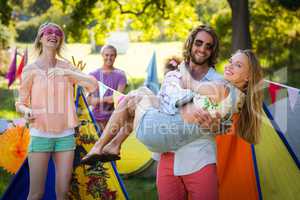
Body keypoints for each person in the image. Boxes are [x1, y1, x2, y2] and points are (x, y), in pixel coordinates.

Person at [82, 25, 264, 200]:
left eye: (209, 46)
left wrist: (219, 125)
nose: (202, 49)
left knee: (136, 97)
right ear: (191, 44)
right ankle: (112, 145)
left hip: (198, 158)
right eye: (198, 43)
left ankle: (105, 146)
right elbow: (162, 101)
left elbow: (225, 118)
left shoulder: (220, 81)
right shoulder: (172, 76)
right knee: (137, 99)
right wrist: (181, 95)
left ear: (213, 51)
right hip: (167, 154)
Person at [15, 22, 97, 200]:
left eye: (58, 32)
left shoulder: (67, 67)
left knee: (63, 192)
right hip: (40, 133)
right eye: (48, 32)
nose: (53, 35)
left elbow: (92, 85)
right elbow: (20, 103)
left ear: (61, 39)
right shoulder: (30, 69)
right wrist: (26, 111)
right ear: (40, 38)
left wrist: (68, 74)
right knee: (36, 193)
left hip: (65, 135)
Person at [87, 45, 127, 132]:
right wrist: (106, 99)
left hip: (114, 119)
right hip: (95, 118)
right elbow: (89, 101)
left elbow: (118, 99)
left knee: (111, 144)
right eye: (106, 55)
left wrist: (98, 100)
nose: (109, 57)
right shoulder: (93, 75)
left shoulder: (121, 75)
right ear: (102, 55)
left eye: (112, 55)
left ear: (115, 56)